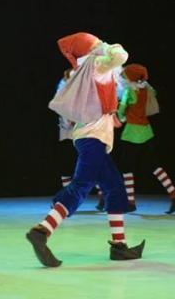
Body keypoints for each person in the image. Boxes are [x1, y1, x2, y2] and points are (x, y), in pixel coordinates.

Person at [26, 32, 144, 268]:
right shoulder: (96, 66)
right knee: (81, 186)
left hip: (90, 138)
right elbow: (121, 55)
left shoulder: (83, 69)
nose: (101, 44)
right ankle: (42, 231)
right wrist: (105, 47)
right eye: (96, 43)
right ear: (91, 49)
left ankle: (119, 245)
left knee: (114, 187)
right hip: (92, 139)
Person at [114, 63, 175, 214]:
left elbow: (121, 110)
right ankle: (173, 193)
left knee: (126, 167)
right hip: (146, 131)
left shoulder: (129, 91)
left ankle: (130, 201)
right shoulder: (146, 89)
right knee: (154, 165)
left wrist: (120, 115)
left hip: (132, 132)